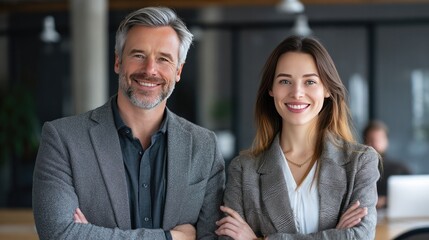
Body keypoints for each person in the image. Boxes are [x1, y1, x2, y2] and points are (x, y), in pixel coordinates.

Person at [32, 7, 225, 240]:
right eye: (138, 55)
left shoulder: (204, 146)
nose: (150, 70)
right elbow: (59, 234)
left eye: (163, 59)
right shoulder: (63, 139)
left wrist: (91, 234)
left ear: (178, 71)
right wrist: (172, 237)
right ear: (117, 62)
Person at [215, 36, 380, 239]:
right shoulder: (243, 169)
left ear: (327, 89)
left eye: (310, 81)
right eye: (285, 81)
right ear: (271, 90)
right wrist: (336, 235)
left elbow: (360, 236)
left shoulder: (360, 162)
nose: (297, 92)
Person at [363, 120, 411, 209]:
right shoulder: (359, 171)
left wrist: (385, 200)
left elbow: (411, 196)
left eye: (379, 140)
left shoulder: (401, 170)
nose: (375, 144)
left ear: (386, 141)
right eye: (371, 140)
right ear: (364, 142)